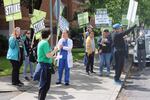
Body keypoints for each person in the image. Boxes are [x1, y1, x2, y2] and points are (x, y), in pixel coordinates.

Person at [33, 29, 58, 100]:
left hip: (43, 65)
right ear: (48, 35)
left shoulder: (41, 42)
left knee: (44, 86)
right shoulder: (45, 43)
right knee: (45, 86)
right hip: (44, 66)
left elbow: (45, 55)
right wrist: (55, 50)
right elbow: (48, 55)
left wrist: (53, 57)